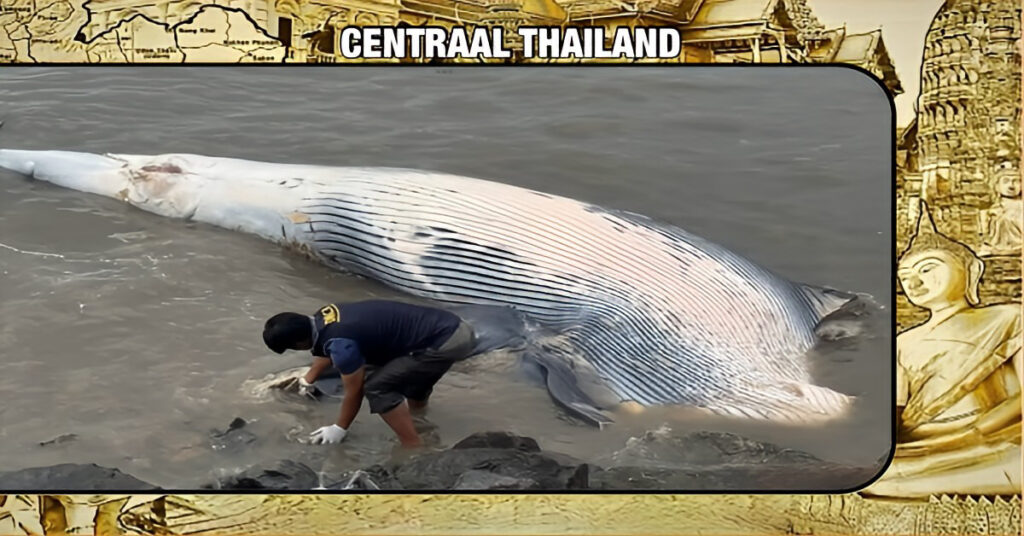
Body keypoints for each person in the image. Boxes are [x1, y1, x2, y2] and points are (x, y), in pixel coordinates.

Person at [863, 201, 1021, 498]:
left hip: (997, 438)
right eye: (905, 278)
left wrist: (982, 429)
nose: (916, 283)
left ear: (970, 269)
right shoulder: (903, 342)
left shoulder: (1010, 318)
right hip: (925, 447)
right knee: (871, 476)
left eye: (927, 269)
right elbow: (893, 412)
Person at [262, 299, 477, 448]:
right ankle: (420, 421)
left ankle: (412, 445)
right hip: (451, 326)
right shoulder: (324, 314)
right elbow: (324, 347)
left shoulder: (341, 346)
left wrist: (339, 428)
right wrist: (308, 379)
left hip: (445, 342)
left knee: (377, 387)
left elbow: (354, 391)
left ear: (300, 342)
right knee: (410, 376)